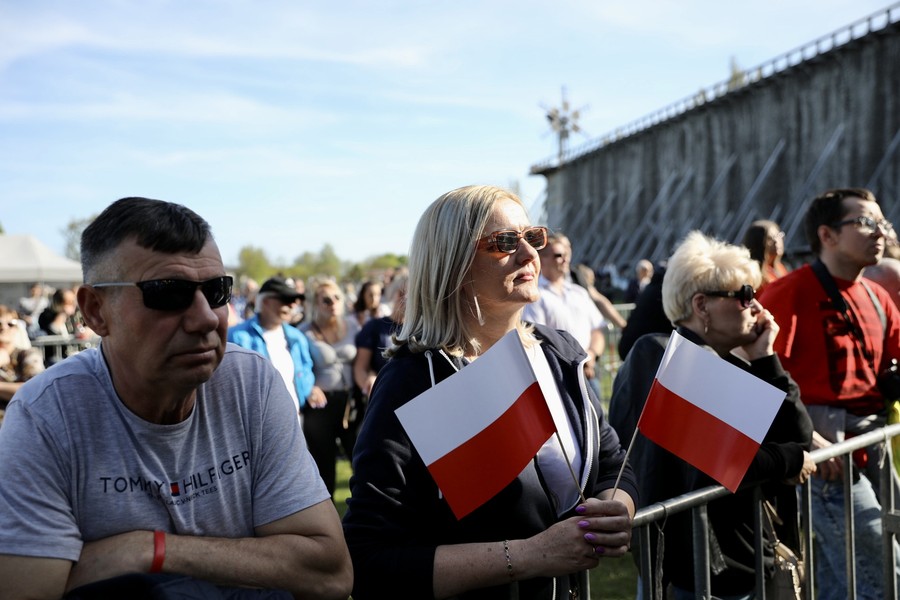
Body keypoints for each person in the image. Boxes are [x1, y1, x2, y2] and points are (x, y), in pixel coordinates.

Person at [0, 197, 352, 599]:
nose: (206, 318)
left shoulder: (250, 381)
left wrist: (149, 550)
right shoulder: (46, 415)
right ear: (95, 311)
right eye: (168, 293)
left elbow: (332, 575)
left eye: (217, 291)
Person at [342, 185, 637, 600]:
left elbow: (612, 463)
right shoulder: (414, 379)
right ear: (455, 265)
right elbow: (368, 556)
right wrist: (531, 555)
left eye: (533, 237)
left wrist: (617, 506)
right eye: (504, 242)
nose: (529, 254)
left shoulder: (558, 353)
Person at [609, 231, 815, 599]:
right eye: (745, 295)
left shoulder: (731, 362)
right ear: (702, 306)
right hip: (699, 572)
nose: (758, 307)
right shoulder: (659, 357)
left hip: (734, 560)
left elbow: (796, 434)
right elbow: (731, 459)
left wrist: (767, 358)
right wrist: (789, 459)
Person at [759, 188, 900, 600]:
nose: (880, 233)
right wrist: (810, 439)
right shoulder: (788, 293)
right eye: (866, 222)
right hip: (827, 458)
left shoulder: (877, 297)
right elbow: (755, 374)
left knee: (843, 574)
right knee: (880, 568)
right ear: (828, 235)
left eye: (882, 223)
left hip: (871, 443)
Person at [227, 276, 320, 418]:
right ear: (265, 301)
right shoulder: (236, 336)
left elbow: (306, 368)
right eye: (285, 300)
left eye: (294, 300)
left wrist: (308, 390)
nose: (292, 305)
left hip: (294, 419)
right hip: (256, 422)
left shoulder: (297, 337)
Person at [301, 280, 361, 497]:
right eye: (326, 299)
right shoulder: (304, 332)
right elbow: (298, 367)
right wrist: (308, 387)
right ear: (315, 303)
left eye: (337, 297)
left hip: (350, 403)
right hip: (320, 405)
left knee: (361, 460)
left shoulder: (353, 326)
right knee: (324, 466)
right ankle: (328, 524)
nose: (333, 303)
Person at [522, 233, 607, 386]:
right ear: (542, 260)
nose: (565, 259)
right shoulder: (535, 296)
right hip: (560, 377)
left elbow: (597, 330)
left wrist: (591, 355)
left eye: (566, 254)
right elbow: (538, 339)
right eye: (558, 255)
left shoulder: (579, 292)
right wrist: (576, 361)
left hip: (589, 373)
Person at [742, 219, 789, 293]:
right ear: (757, 243)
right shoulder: (753, 274)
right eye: (770, 238)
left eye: (778, 236)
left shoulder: (780, 267)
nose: (776, 241)